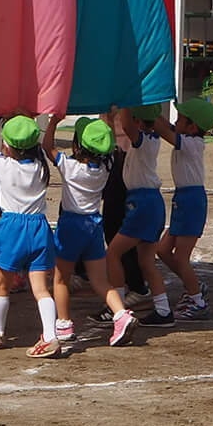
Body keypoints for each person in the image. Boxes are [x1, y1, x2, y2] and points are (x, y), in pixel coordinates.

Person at [49, 115, 136, 349]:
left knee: (61, 278)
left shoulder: (70, 167)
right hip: (93, 225)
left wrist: (53, 122)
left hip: (71, 225)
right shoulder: (106, 168)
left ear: (79, 145)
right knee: (100, 280)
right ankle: (121, 314)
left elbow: (48, 147)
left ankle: (64, 324)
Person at [0, 114, 62, 357]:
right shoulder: (40, 168)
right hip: (39, 228)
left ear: (7, 145)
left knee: (2, 285)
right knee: (41, 289)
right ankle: (50, 335)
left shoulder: (3, 166)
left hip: (12, 228)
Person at [107, 104, 175, 326]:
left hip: (142, 204)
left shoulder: (143, 140)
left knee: (113, 254)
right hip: (151, 203)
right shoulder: (153, 138)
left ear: (138, 122)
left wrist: (126, 99)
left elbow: (126, 125)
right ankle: (163, 311)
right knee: (146, 262)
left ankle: (118, 308)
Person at [154, 97, 213, 320]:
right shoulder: (187, 136)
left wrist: (146, 108)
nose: (175, 121)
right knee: (162, 250)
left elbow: (164, 130)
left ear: (193, 126)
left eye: (180, 118)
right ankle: (195, 285)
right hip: (183, 199)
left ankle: (197, 301)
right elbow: (165, 126)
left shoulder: (192, 143)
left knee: (181, 257)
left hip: (191, 201)